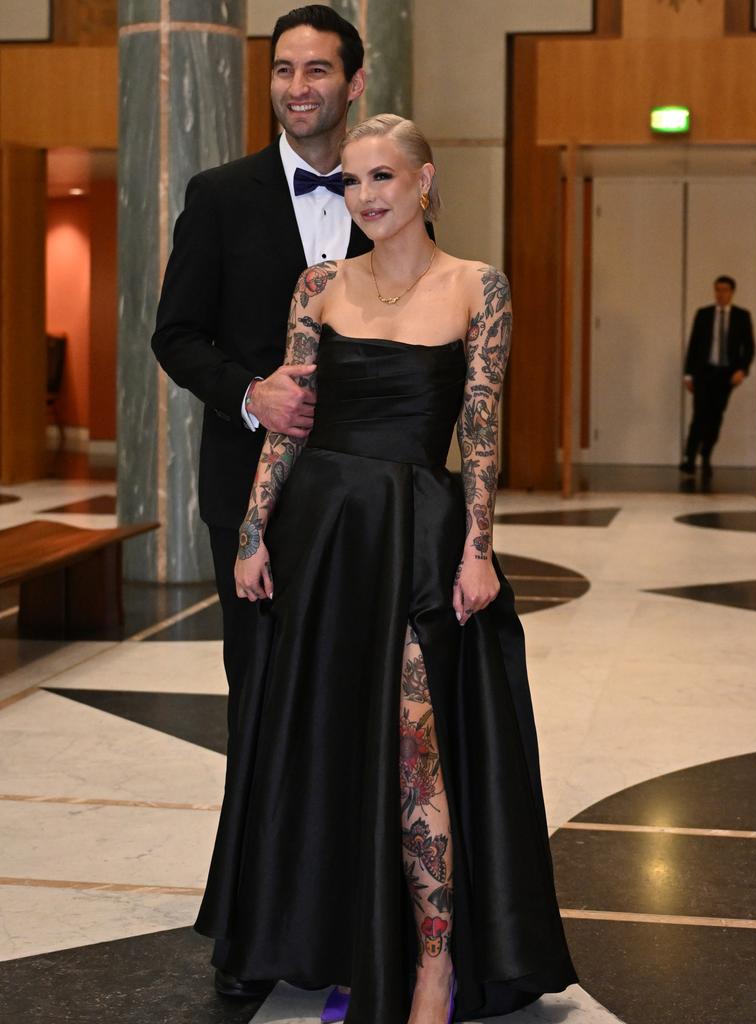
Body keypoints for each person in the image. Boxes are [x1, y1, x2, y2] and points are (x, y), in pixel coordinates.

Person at [194, 114, 577, 1024]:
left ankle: (435, 963)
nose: (366, 196)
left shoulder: (477, 285)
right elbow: (291, 419)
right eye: (355, 181)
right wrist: (253, 531)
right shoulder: (318, 285)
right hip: (320, 533)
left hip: (417, 531)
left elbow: (480, 431)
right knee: (320, 736)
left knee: (419, 745)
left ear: (424, 182)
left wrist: (480, 546)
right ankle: (322, 934)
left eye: (383, 179)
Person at [150, 6, 370, 1001]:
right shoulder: (219, 194)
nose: (298, 87)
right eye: (283, 69)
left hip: (360, 504)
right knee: (265, 709)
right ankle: (250, 932)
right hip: (249, 496)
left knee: (349, 708)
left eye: (318, 69)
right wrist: (250, 392)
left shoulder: (387, 198)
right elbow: (175, 333)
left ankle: (345, 923)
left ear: (354, 83)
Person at [679, 275, 755, 477]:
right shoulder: (703, 314)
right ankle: (689, 458)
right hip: (704, 372)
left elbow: (748, 347)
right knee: (699, 415)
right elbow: (694, 345)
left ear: (732, 292)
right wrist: (688, 374)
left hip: (726, 374)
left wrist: (742, 370)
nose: (720, 294)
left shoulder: (742, 316)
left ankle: (706, 455)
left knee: (715, 417)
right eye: (717, 290)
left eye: (724, 290)